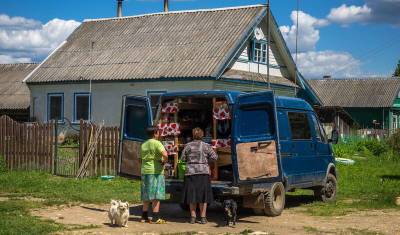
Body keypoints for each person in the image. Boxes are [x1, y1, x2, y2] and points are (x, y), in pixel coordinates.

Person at [181, 127, 218, 224]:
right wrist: (206, 162)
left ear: (193, 135)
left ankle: (193, 217)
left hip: (191, 173)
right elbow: (215, 157)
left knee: (191, 195)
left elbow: (182, 158)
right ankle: (203, 217)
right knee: (203, 196)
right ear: (202, 135)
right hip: (203, 173)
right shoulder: (206, 146)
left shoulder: (188, 146)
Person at [139, 126, 168, 224]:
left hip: (145, 171)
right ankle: (156, 217)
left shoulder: (143, 144)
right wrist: (164, 161)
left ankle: (144, 216)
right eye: (158, 132)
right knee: (156, 194)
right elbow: (165, 154)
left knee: (146, 194)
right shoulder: (157, 143)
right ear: (155, 133)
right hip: (156, 172)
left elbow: (140, 159)